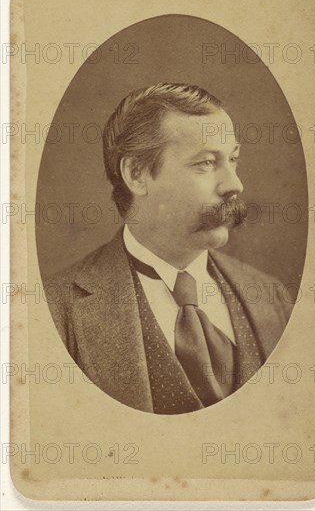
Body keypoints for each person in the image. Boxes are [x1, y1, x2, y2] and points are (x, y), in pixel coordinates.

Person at [45, 83, 292, 414]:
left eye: (233, 159)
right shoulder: (53, 312)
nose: (234, 184)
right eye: (206, 163)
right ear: (136, 175)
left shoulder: (271, 296)